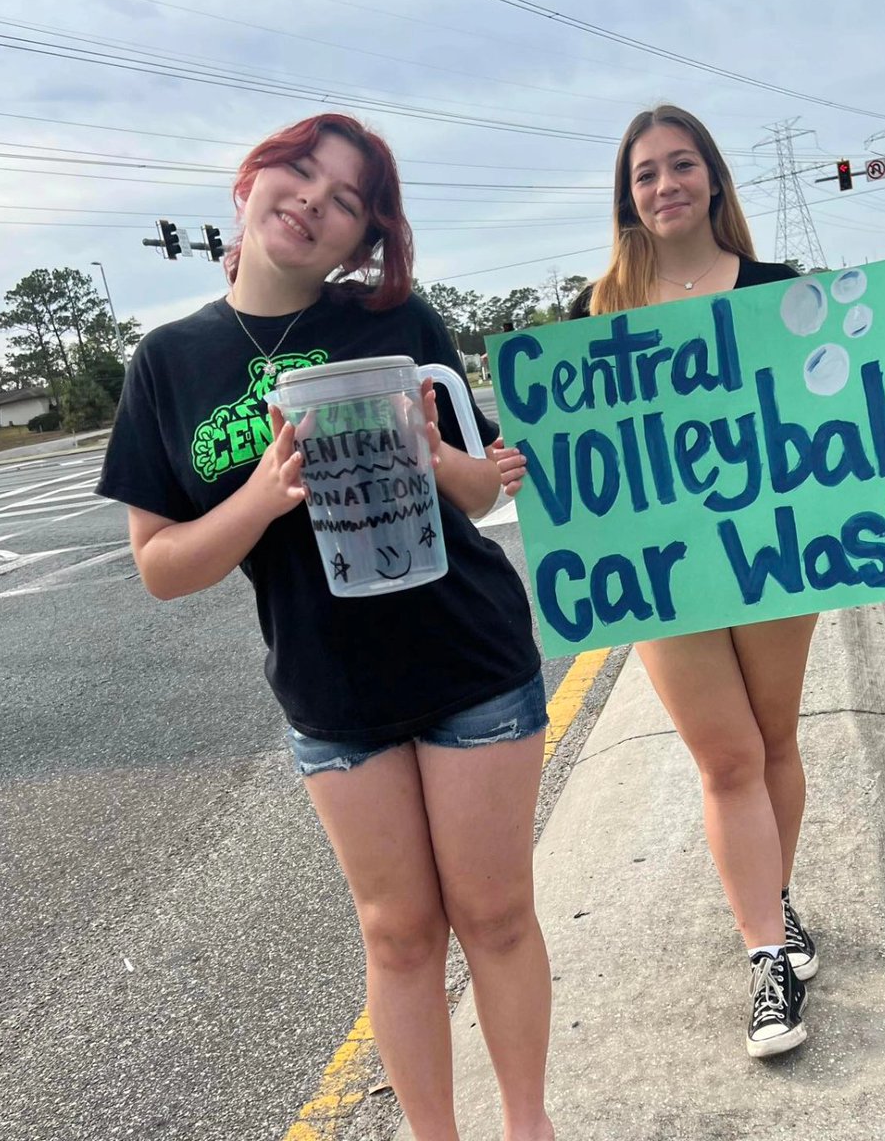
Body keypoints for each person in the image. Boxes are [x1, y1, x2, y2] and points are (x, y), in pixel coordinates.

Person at [97, 113, 555, 1141]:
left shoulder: (397, 320)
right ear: (251, 180)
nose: (313, 199)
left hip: (471, 657)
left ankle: (530, 1127)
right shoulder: (168, 362)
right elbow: (161, 566)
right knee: (398, 937)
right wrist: (263, 494)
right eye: (300, 170)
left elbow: (482, 489)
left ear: (361, 239)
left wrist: (440, 454)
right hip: (331, 689)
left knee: (496, 917)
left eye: (347, 199)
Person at [494, 104, 885, 1060]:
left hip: (774, 551)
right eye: (646, 173)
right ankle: (766, 959)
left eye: (681, 165)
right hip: (665, 573)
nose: (665, 185)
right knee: (727, 759)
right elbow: (572, 450)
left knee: (774, 741)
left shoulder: (780, 292)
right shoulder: (597, 315)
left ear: (713, 177)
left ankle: (772, 901)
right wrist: (522, 468)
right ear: (627, 196)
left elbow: (838, 409)